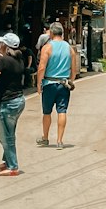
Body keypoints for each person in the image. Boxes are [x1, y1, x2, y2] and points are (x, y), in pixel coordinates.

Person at [0, 32, 26, 176]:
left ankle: (13, 166)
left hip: (8, 103)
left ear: (4, 46)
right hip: (18, 100)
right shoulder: (18, 59)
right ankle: (7, 160)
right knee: (10, 133)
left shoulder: (3, 61)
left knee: (5, 136)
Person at [36, 21, 77, 149]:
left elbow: (41, 68)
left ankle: (45, 138)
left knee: (47, 112)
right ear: (62, 33)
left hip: (49, 83)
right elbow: (74, 70)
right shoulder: (69, 48)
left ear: (51, 33)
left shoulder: (47, 47)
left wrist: (38, 83)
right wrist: (70, 79)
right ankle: (59, 141)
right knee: (62, 111)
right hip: (64, 84)